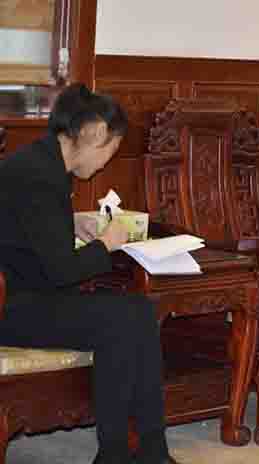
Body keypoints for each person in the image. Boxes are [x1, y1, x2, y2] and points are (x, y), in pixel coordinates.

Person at [0, 84, 181, 464]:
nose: (105, 162)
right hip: (11, 307)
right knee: (122, 318)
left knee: (139, 312)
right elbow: (62, 271)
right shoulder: (38, 176)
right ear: (94, 132)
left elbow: (26, 231)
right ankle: (119, 452)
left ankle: (150, 450)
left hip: (30, 294)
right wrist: (106, 244)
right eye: (111, 149)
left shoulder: (42, 163)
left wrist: (70, 221)